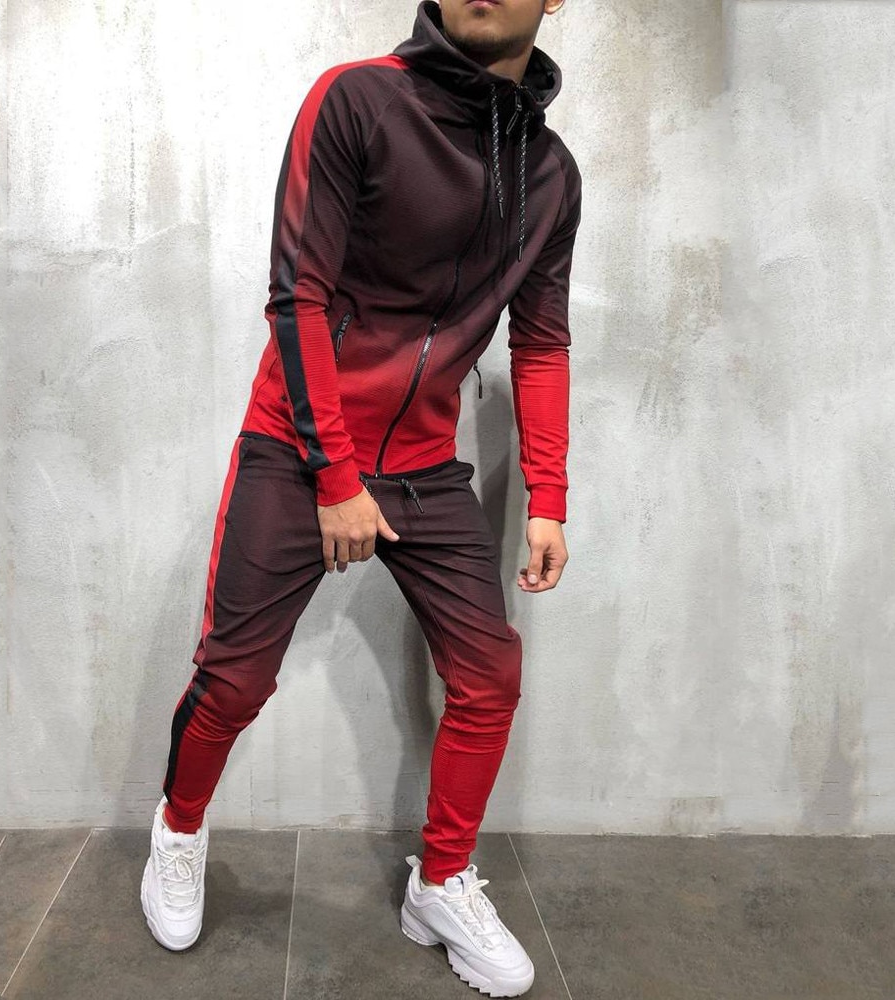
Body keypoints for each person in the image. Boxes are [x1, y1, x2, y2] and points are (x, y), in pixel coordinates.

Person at [140, 0, 578, 995]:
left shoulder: (550, 174)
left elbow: (541, 340)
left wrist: (547, 495)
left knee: (489, 673)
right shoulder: (357, 101)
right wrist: (334, 475)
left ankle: (443, 881)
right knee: (234, 679)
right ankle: (178, 828)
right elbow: (297, 291)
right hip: (296, 449)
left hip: (424, 463)